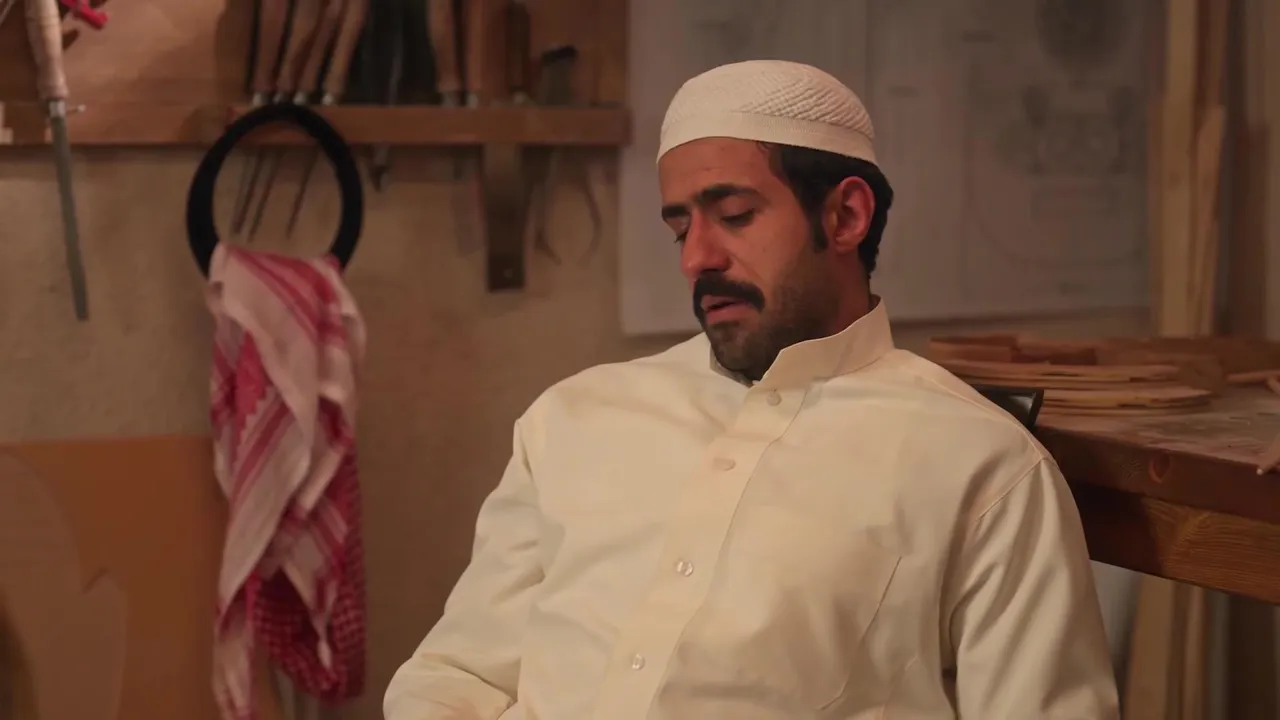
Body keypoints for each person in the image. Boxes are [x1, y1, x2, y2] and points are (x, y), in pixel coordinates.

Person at [385, 60, 1119, 719]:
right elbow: (458, 676)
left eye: (734, 216)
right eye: (680, 228)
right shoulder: (573, 419)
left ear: (845, 216)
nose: (696, 259)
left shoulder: (981, 465)